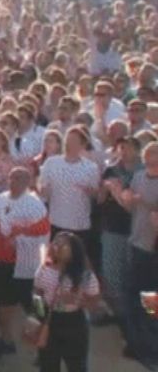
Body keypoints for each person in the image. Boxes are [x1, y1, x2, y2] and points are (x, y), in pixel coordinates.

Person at [0, 166, 49, 354]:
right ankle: (6, 339)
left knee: (36, 306)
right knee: (2, 303)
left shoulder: (35, 204)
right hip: (1, 261)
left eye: (19, 178)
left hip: (27, 265)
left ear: (28, 182)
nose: (13, 182)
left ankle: (44, 344)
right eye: (11, 178)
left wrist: (19, 238)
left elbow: (43, 231)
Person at [107, 142, 158, 367]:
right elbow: (131, 208)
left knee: (150, 297)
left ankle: (151, 346)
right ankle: (137, 343)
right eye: (149, 154)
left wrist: (142, 201)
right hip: (136, 243)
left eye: (155, 154)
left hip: (152, 248)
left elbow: (151, 207)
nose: (151, 158)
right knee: (133, 296)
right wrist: (119, 194)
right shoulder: (138, 177)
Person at [32, 232, 101, 372]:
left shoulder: (85, 276)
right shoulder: (44, 270)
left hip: (74, 323)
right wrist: (40, 317)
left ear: (74, 251)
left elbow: (94, 304)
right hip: (50, 320)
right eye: (55, 243)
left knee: (76, 366)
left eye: (63, 245)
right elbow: (36, 294)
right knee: (48, 365)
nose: (57, 247)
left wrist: (77, 300)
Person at [96, 136, 141, 329]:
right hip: (112, 228)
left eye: (128, 148)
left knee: (141, 280)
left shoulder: (144, 173)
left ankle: (148, 318)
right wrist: (104, 190)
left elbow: (133, 207)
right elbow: (99, 200)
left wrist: (118, 191)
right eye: (121, 147)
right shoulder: (111, 170)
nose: (124, 151)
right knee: (112, 274)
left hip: (140, 233)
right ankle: (120, 316)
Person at [39, 127, 100, 247]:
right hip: (56, 221)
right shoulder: (51, 163)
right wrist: (42, 190)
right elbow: (43, 192)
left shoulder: (91, 167)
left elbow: (95, 194)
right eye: (67, 139)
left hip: (79, 224)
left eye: (73, 141)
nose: (68, 143)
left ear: (82, 145)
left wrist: (90, 191)